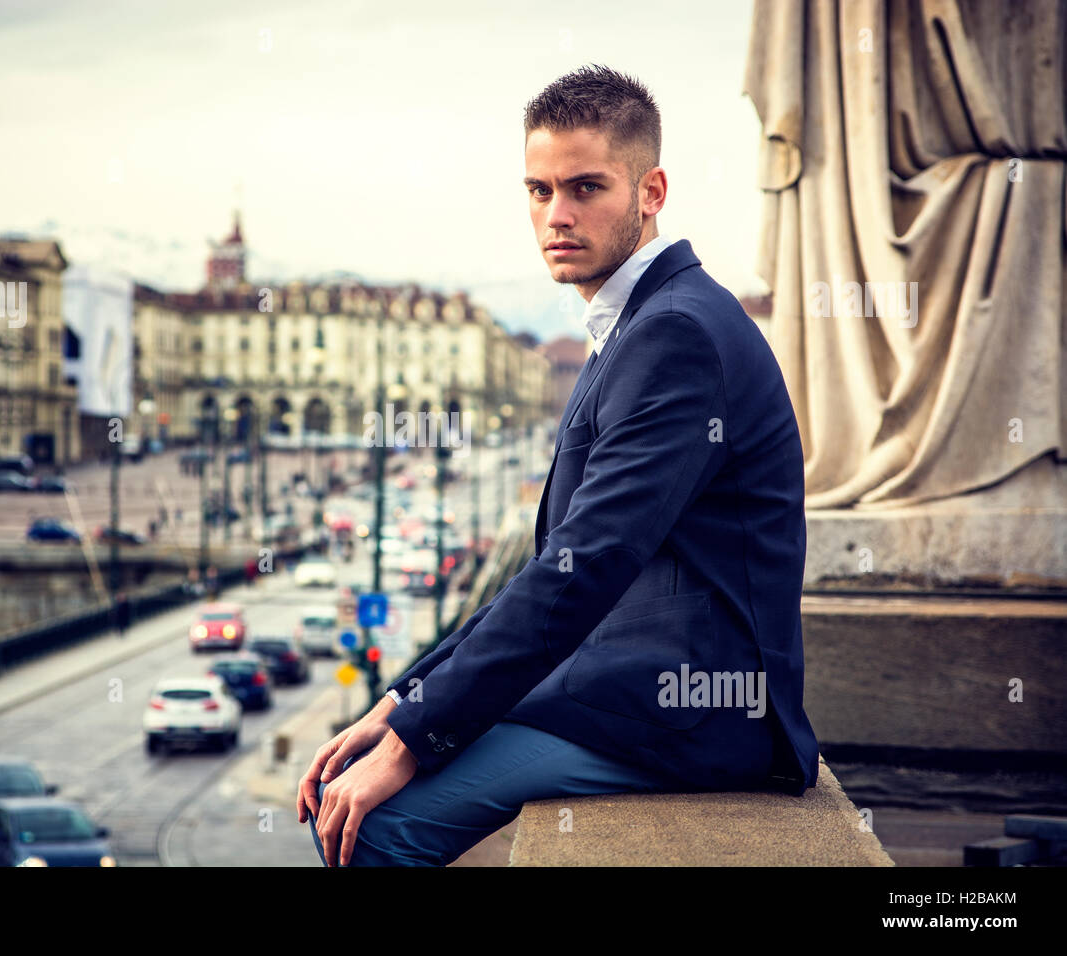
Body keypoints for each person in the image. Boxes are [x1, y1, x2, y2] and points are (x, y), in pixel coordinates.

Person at [299, 64, 820, 867]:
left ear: (652, 192)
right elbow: (552, 562)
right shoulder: (641, 319)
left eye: (586, 187)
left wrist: (411, 739)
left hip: (686, 712)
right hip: (633, 684)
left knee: (371, 826)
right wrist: (405, 702)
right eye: (539, 191)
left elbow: (583, 569)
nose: (557, 215)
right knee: (362, 785)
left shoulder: (674, 334)